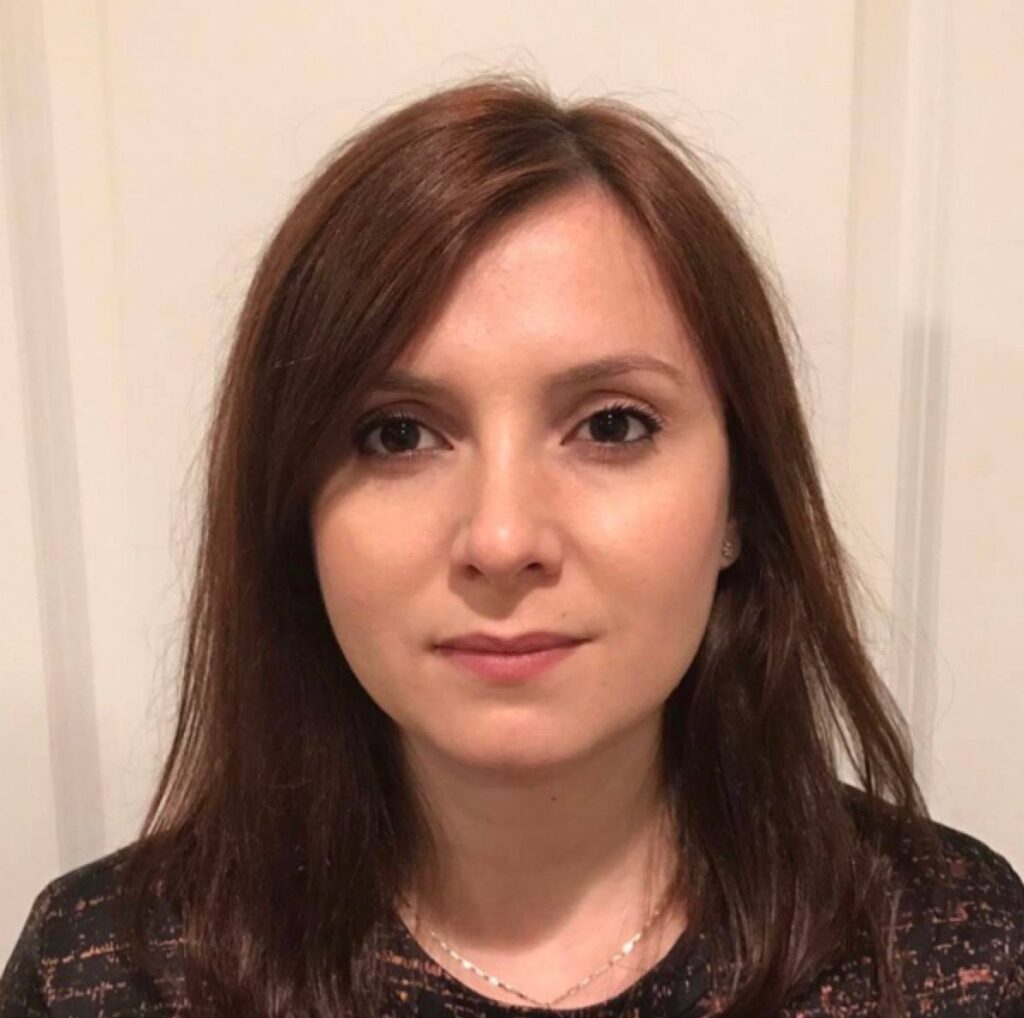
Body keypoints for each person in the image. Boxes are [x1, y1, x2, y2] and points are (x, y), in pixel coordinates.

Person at [1, 73, 1021, 1018]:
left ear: (738, 504)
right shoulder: (103, 974)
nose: (501, 539)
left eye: (612, 424)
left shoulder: (951, 952)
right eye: (396, 434)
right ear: (293, 510)